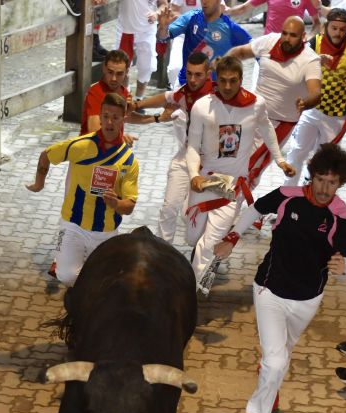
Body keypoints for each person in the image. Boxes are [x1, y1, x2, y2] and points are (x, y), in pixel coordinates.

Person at [213, 144, 346, 413]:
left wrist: (343, 270)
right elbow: (255, 208)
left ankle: (269, 373)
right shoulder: (288, 195)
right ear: (311, 176)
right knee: (277, 361)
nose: (324, 188)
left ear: (340, 183)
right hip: (269, 289)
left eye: (332, 182)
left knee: (280, 357)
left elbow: (345, 265)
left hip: (307, 299)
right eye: (320, 179)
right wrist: (232, 237)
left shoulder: (341, 215)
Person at [184, 56, 295, 288]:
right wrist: (194, 174)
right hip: (205, 180)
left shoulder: (256, 105)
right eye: (222, 80)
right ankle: (198, 265)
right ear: (216, 79)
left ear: (241, 80)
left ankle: (190, 291)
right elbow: (193, 146)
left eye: (232, 81)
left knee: (210, 243)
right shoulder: (202, 106)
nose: (226, 86)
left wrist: (280, 160)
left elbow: (267, 129)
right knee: (193, 238)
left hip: (232, 187)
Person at [25, 93, 139, 286]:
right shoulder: (81, 145)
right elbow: (46, 155)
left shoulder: (129, 161)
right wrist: (39, 183)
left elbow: (129, 206)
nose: (109, 122)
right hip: (73, 226)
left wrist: (116, 203)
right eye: (105, 116)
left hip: (106, 231)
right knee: (66, 276)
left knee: (111, 281)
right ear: (100, 117)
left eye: (116, 117)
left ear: (124, 119)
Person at [282, 9, 346, 187]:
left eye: (342, 29)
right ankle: (285, 195)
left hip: (337, 117)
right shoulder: (314, 43)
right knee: (297, 152)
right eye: (334, 28)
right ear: (326, 27)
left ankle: (308, 196)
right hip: (311, 110)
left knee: (322, 160)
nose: (338, 33)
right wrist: (315, 60)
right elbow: (293, 63)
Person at [224, 16, 322, 189]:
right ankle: (216, 199)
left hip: (279, 124)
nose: (286, 38)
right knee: (226, 155)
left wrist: (306, 103)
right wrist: (222, 69)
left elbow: (316, 93)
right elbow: (239, 52)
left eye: (292, 35)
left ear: (303, 37)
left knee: (251, 169)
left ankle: (233, 208)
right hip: (249, 111)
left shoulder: (310, 60)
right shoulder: (269, 41)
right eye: (284, 33)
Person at [132, 52, 215, 243]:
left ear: (208, 73)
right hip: (185, 156)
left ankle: (205, 251)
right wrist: (136, 104)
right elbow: (165, 97)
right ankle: (162, 252)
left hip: (210, 164)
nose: (192, 79)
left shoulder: (218, 96)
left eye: (198, 75)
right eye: (189, 73)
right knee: (169, 208)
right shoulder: (184, 92)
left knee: (190, 216)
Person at [157, 0, 252, 86]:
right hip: (186, 84)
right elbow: (163, 37)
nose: (204, 2)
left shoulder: (231, 28)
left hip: (214, 89)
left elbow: (256, 48)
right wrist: (163, 28)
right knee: (173, 71)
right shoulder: (191, 17)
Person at [115, 0, 165, 101]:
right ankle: (125, 97)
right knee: (121, 66)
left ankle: (138, 99)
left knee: (146, 67)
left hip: (146, 30)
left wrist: (156, 13)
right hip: (125, 28)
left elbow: (163, 4)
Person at [225, 0, 321, 35]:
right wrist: (225, 11)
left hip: (293, 43)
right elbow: (244, 8)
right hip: (269, 43)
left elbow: (317, 23)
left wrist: (309, 37)